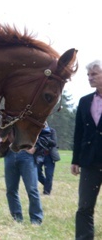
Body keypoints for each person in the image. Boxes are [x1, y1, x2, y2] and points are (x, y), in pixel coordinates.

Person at [72, 59, 102, 239]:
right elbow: (79, 133)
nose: (90, 78)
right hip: (90, 162)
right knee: (84, 207)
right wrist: (75, 160)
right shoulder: (84, 101)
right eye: (88, 75)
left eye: (94, 74)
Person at [4, 145, 43, 225]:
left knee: (32, 189)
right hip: (9, 153)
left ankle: (36, 220)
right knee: (11, 190)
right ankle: (17, 218)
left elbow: (47, 135)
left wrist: (36, 147)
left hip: (27, 155)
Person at [35, 122, 59, 195]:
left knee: (49, 174)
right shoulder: (37, 131)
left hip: (49, 156)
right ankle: (47, 185)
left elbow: (54, 143)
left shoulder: (52, 131)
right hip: (39, 155)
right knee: (37, 173)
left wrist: (44, 139)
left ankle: (47, 192)